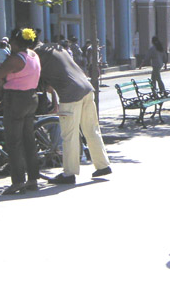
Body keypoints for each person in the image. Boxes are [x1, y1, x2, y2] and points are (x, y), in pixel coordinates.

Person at [35, 42, 112, 185]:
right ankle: (103, 165)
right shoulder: (56, 48)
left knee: (69, 135)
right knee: (92, 129)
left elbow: (46, 85)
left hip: (70, 95)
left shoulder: (37, 55)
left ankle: (69, 173)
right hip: (87, 88)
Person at [0, 28, 42, 195]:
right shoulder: (33, 55)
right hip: (31, 98)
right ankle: (33, 179)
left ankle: (18, 181)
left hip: (16, 100)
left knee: (14, 142)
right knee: (29, 139)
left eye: (12, 42)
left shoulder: (15, 59)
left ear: (16, 43)